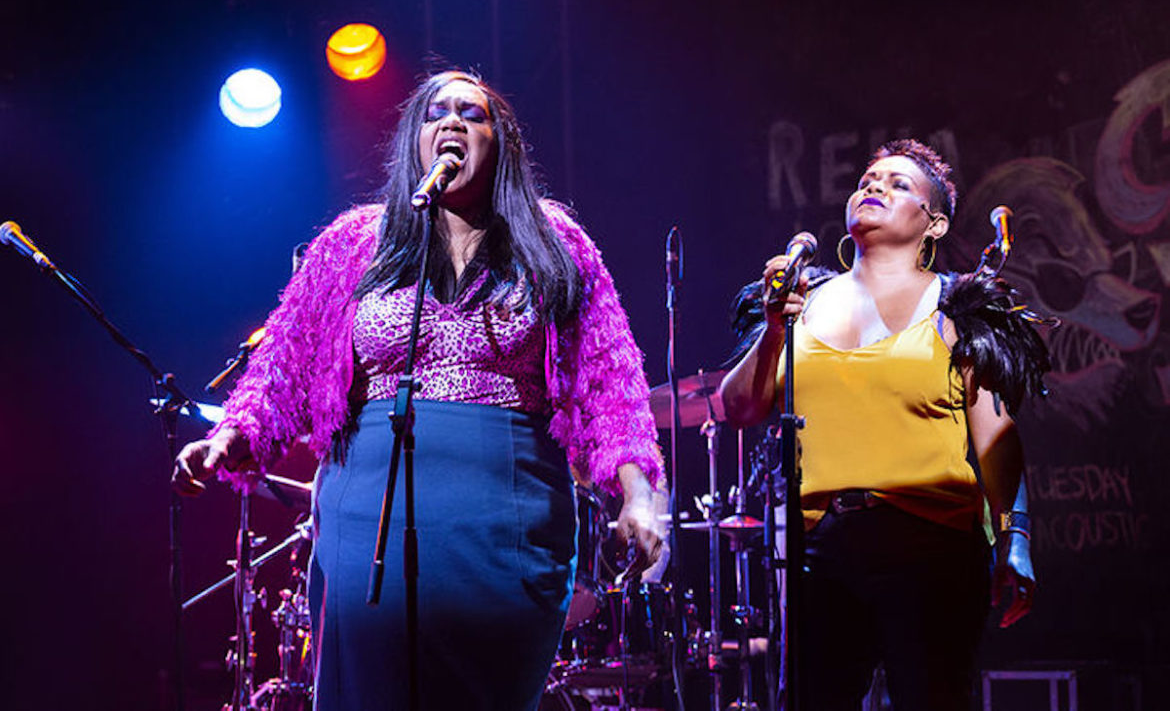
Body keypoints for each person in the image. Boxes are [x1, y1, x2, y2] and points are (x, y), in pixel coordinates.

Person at [173, 69, 666, 711]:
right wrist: (233, 436)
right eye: (437, 114)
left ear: (502, 144)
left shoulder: (555, 242)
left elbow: (612, 382)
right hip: (367, 514)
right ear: (416, 140)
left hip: (509, 522)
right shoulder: (353, 244)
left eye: (473, 114)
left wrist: (638, 496)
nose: (453, 124)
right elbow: (282, 364)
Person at [719, 139, 1048, 710]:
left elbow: (995, 435)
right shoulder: (803, 301)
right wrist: (774, 329)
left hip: (931, 543)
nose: (874, 187)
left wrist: (1014, 539)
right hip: (821, 548)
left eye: (898, 184)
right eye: (869, 179)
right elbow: (740, 408)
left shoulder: (957, 307)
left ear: (935, 224)